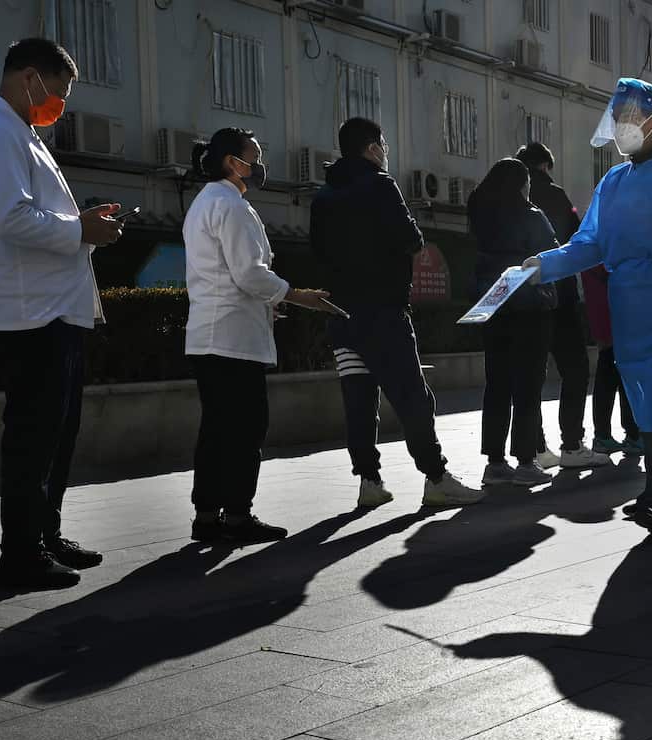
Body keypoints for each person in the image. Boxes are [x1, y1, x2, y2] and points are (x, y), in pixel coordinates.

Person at [524, 78, 652, 536]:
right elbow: (591, 242)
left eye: (628, 118)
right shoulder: (614, 180)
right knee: (647, 406)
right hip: (628, 309)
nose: (620, 129)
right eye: (615, 120)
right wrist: (544, 264)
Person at [0, 38, 122, 590]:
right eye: (58, 91)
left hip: (57, 309)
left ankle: (45, 533)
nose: (59, 105)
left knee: (58, 433)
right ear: (30, 77)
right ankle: (20, 554)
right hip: (32, 314)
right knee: (32, 436)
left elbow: (40, 215)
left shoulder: (24, 135)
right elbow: (10, 219)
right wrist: (81, 229)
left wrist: (83, 221)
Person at [310, 118, 482, 509]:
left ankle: (369, 481)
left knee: (359, 399)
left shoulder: (323, 197)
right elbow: (411, 239)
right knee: (411, 396)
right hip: (382, 313)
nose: (386, 151)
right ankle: (436, 478)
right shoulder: (381, 185)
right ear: (372, 148)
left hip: (341, 314)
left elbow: (317, 253)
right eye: (383, 145)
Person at [183, 129, 332, 544]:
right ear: (234, 162)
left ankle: (208, 514)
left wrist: (274, 299)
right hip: (232, 338)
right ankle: (236, 515)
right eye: (256, 156)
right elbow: (249, 273)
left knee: (217, 430)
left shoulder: (205, 203)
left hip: (213, 335)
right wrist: (296, 294)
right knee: (245, 429)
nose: (261, 165)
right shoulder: (231, 206)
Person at [514, 142, 607, 470]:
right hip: (560, 296)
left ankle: (536, 447)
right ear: (544, 165)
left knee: (530, 375)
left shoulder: (504, 201)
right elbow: (577, 241)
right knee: (576, 369)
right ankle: (571, 443)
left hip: (521, 299)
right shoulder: (554, 195)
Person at [468, 158, 560, 487]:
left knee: (497, 384)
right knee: (528, 384)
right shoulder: (531, 216)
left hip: (493, 303)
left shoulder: (480, 214)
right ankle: (525, 461)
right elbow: (552, 254)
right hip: (528, 304)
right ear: (522, 185)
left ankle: (494, 462)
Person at [583, 264, 642, 456]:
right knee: (620, 374)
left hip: (606, 307)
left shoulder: (591, 237)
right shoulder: (605, 238)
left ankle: (608, 434)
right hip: (615, 308)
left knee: (609, 373)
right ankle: (630, 434)